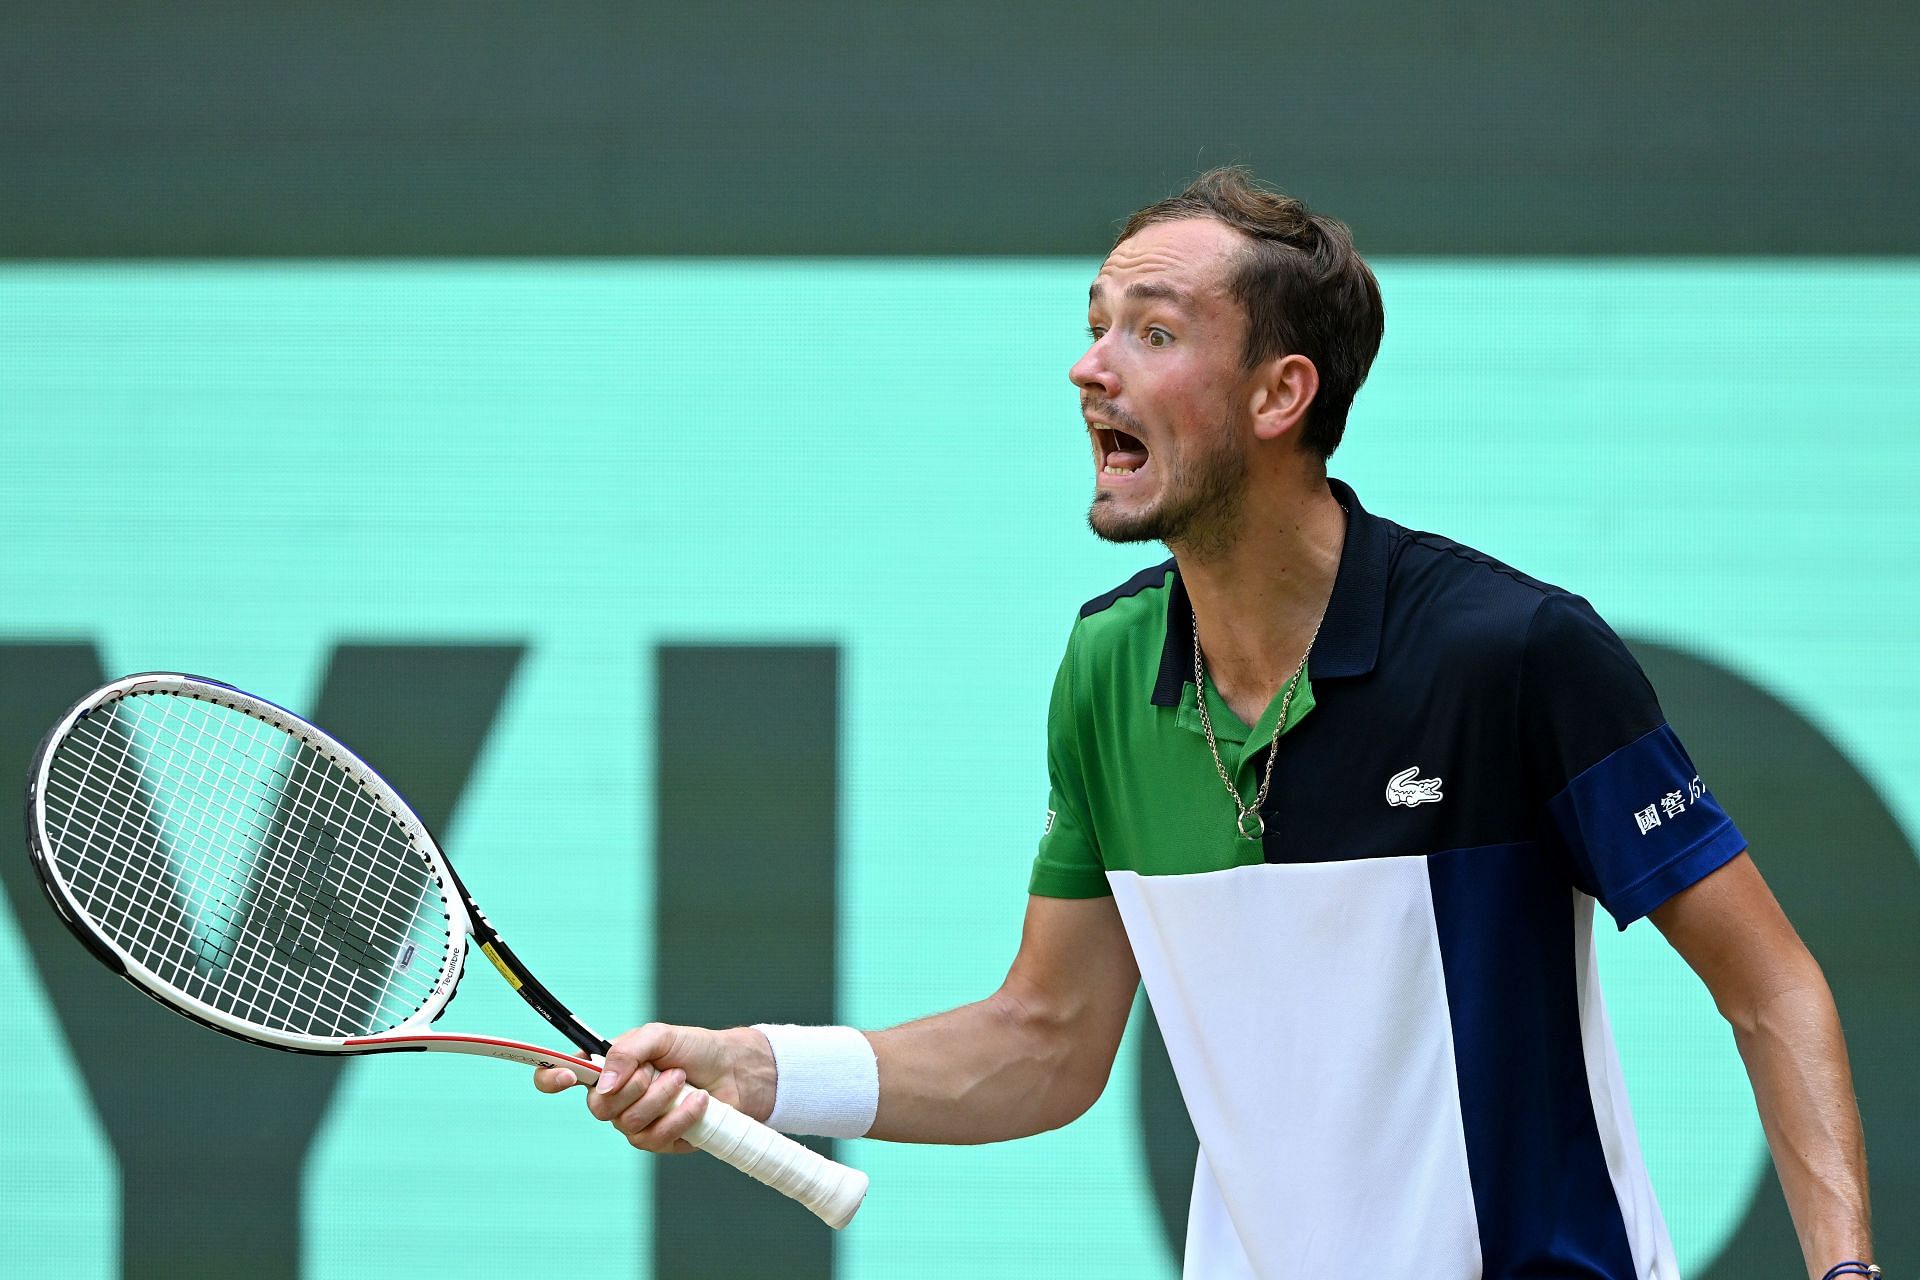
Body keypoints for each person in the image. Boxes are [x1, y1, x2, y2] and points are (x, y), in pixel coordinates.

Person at [535, 168, 1876, 1279]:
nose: (1088, 367)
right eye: (1096, 322)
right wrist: (753, 1069)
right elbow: (1048, 1042)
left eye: (1153, 334)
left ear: (1279, 396)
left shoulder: (1511, 653)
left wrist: (1846, 1273)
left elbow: (1771, 986)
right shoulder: (1110, 670)